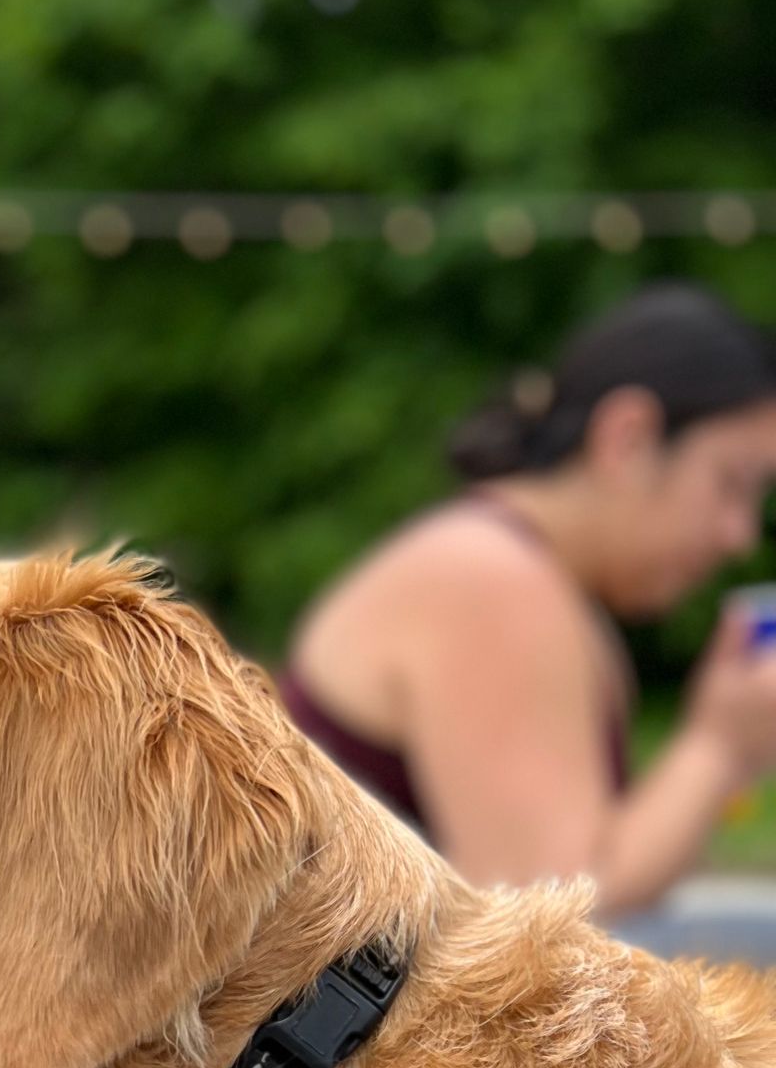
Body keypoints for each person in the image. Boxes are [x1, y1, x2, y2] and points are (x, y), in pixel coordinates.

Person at [281, 283, 776, 912]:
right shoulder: (492, 579)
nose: (740, 534)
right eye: (732, 483)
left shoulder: (521, 570)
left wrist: (726, 753)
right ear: (628, 438)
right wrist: (717, 746)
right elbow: (547, 914)